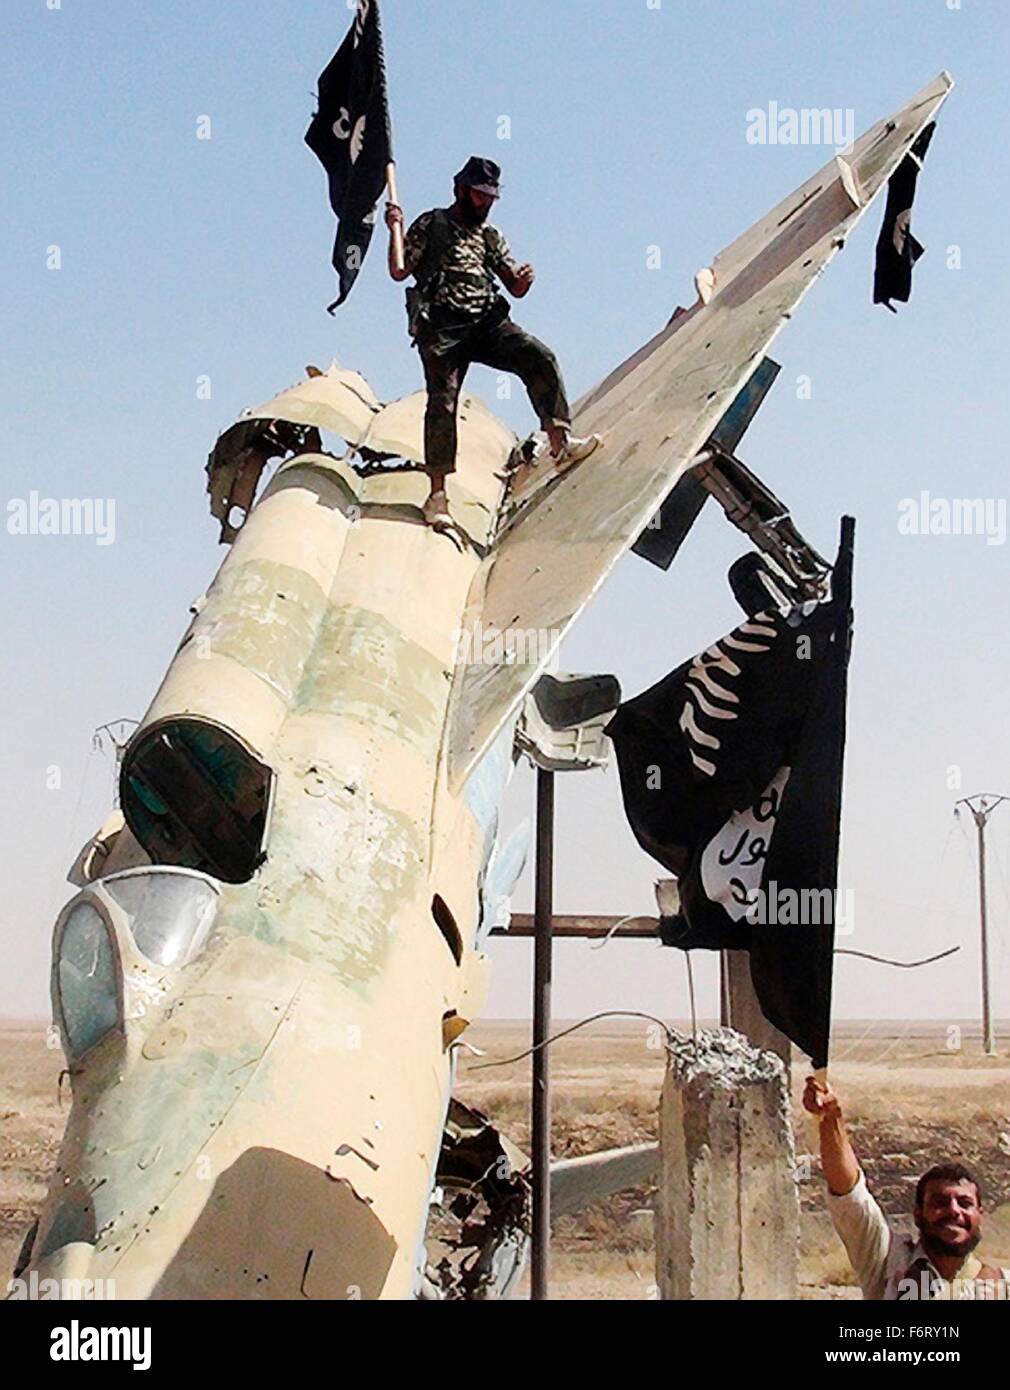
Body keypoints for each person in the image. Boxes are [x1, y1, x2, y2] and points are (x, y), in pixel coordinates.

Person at [384, 156, 600, 527]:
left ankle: (560, 445)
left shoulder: (489, 235)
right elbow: (399, 270)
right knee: (443, 404)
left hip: (487, 323)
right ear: (462, 190)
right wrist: (394, 229)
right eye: (480, 195)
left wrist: (524, 279)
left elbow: (514, 287)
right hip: (443, 331)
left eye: (491, 197)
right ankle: (437, 496)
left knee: (537, 356)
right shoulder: (432, 223)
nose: (486, 203)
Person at [803, 1074, 1009, 1299]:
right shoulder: (888, 1261)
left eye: (965, 1203)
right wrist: (831, 1117)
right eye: (940, 1202)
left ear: (980, 1214)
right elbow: (850, 1196)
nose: (954, 1211)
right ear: (918, 1214)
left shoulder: (1001, 1287)